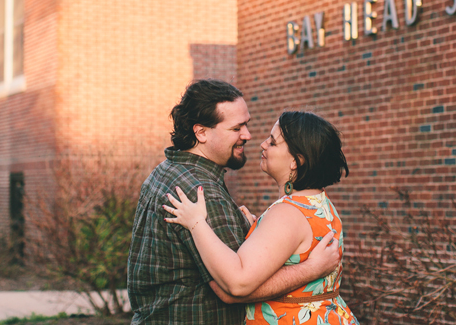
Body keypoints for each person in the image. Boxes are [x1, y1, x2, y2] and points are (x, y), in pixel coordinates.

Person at [127, 80, 342, 324]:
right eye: (236, 128)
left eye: (247, 125)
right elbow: (233, 287)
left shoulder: (167, 170)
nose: (250, 136)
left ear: (296, 160)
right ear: (201, 132)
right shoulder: (200, 191)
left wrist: (249, 230)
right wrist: (311, 269)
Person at [163, 110, 358, 325]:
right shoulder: (318, 203)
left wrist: (196, 222)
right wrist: (258, 230)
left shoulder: (287, 213)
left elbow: (236, 285)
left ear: (296, 161)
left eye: (273, 142)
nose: (263, 144)